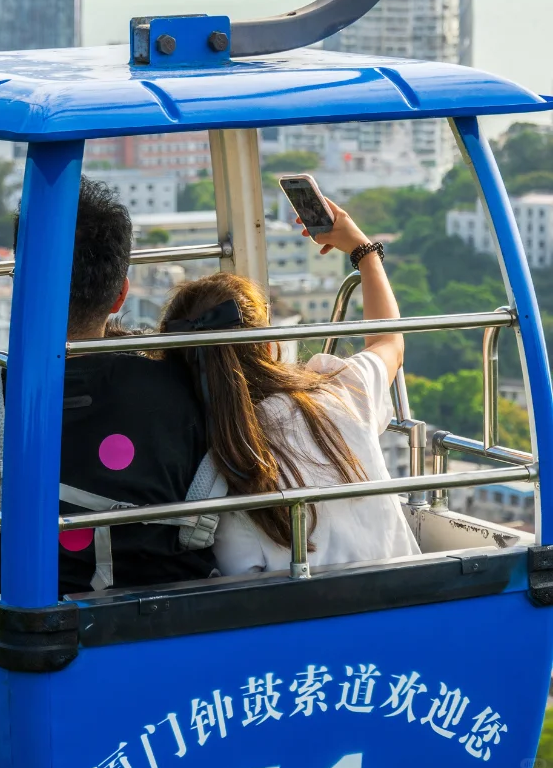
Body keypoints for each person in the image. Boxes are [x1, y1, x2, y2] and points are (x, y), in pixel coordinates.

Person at [0, 177, 216, 596]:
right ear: (120, 294)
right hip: (173, 624)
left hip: (25, 625)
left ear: (22, 287)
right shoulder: (190, 393)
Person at [159, 197, 419, 575]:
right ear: (268, 346)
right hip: (412, 599)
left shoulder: (210, 464)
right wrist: (364, 252)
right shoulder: (337, 392)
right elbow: (389, 343)